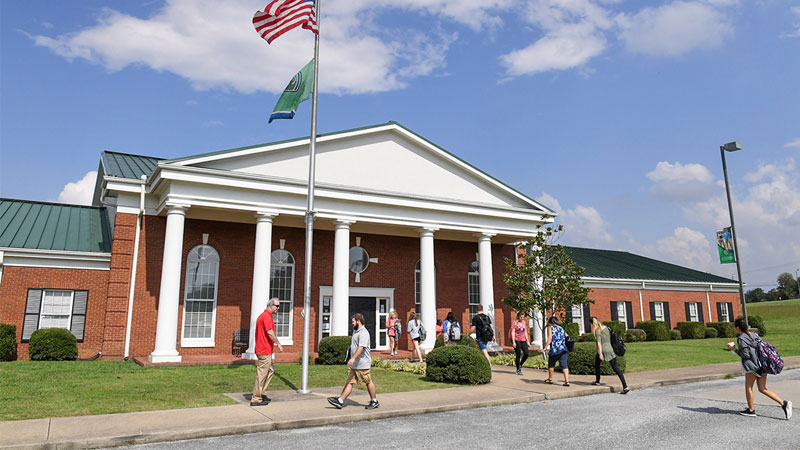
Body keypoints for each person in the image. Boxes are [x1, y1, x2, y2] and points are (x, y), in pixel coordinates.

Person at [728, 318, 792, 419]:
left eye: (735, 327)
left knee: (748, 387)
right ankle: (784, 403)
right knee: (762, 388)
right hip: (762, 365)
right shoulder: (754, 335)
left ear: (738, 328)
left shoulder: (741, 338)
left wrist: (734, 349)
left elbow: (746, 355)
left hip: (752, 367)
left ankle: (751, 410)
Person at [327, 313, 379, 410]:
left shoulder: (364, 333)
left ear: (358, 321)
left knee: (368, 382)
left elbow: (361, 348)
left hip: (362, 363)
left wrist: (353, 358)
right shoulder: (356, 331)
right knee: (349, 382)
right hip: (355, 364)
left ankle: (374, 401)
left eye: (353, 322)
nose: (352, 324)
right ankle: (340, 401)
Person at [251, 297, 283, 406]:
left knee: (270, 370)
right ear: (270, 306)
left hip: (264, 349)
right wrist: (278, 343)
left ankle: (262, 393)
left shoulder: (263, 316)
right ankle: (256, 398)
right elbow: (269, 332)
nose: (278, 308)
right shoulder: (266, 316)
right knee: (262, 374)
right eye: (277, 306)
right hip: (264, 350)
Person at [590, 317, 628, 394]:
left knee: (597, 364)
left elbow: (599, 343)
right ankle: (625, 386)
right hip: (610, 349)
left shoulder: (597, 331)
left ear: (592, 324)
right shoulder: (607, 328)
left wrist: (600, 353)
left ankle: (597, 381)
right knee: (616, 368)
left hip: (604, 350)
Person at [542, 316, 570, 385]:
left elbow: (550, 338)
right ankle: (567, 381)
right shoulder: (561, 328)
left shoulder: (550, 327)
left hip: (555, 349)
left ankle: (550, 379)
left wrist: (545, 347)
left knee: (551, 364)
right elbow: (567, 336)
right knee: (564, 365)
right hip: (563, 349)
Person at [510, 311, 531, 375]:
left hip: (523, 340)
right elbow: (513, 332)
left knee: (526, 354)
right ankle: (518, 369)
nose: (522, 318)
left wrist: (528, 341)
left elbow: (525, 332)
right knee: (518, 354)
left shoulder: (524, 322)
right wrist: (513, 342)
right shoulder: (515, 323)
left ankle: (520, 364)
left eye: (523, 317)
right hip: (517, 340)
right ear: (518, 317)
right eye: (521, 317)